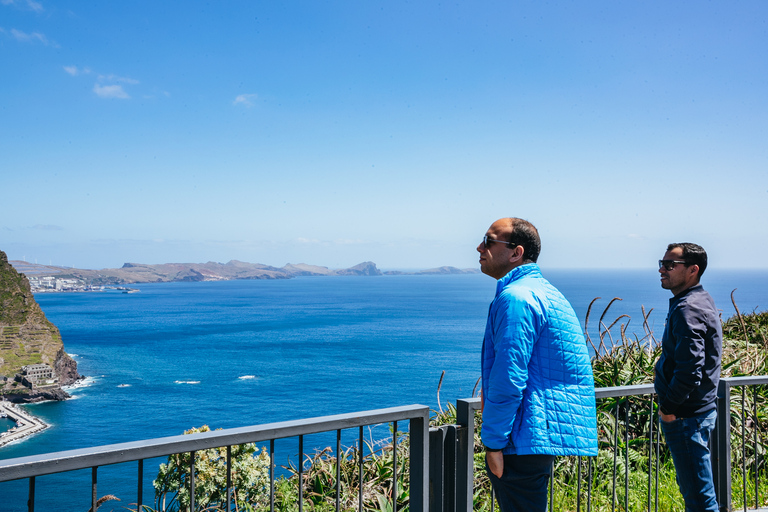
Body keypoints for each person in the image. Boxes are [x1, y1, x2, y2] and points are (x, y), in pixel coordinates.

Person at [477, 217, 598, 512]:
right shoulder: (546, 292)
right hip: (536, 435)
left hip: (519, 439)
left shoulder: (516, 298)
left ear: (516, 252)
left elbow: (509, 376)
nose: (479, 247)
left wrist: (493, 443)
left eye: (489, 241)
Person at [655, 243, 722, 512]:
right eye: (661, 263)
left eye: (670, 265)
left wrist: (669, 409)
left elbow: (690, 370)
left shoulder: (687, 309)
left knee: (699, 499)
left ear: (693, 270)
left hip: (686, 417)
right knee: (698, 495)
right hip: (698, 412)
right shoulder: (701, 300)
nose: (662, 269)